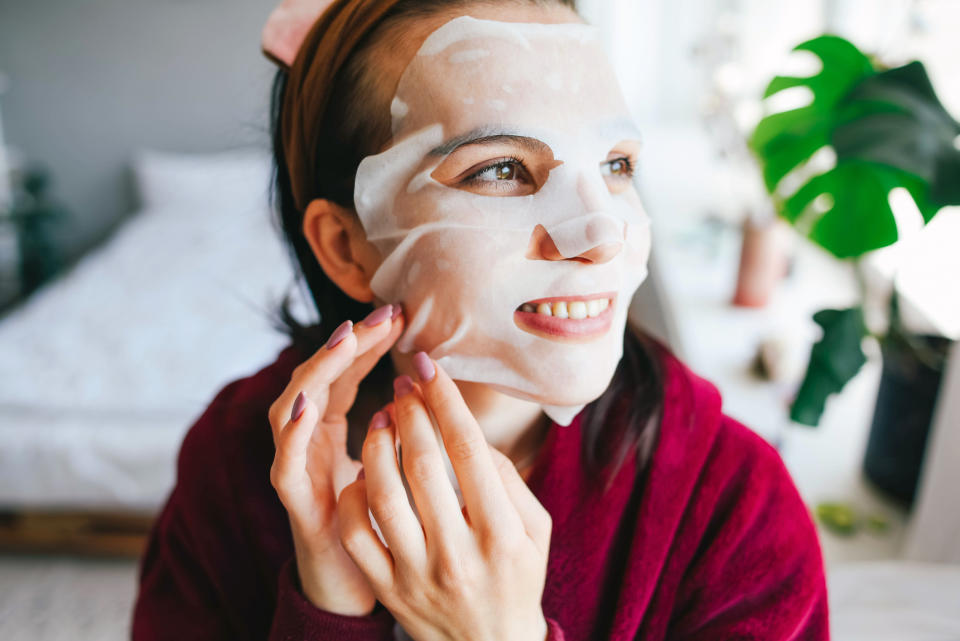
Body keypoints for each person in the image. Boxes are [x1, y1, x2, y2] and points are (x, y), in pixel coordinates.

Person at [131, 1, 830, 639]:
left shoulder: (738, 509)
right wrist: (330, 612)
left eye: (616, 163)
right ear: (347, 247)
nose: (601, 234)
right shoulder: (234, 465)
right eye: (500, 170)